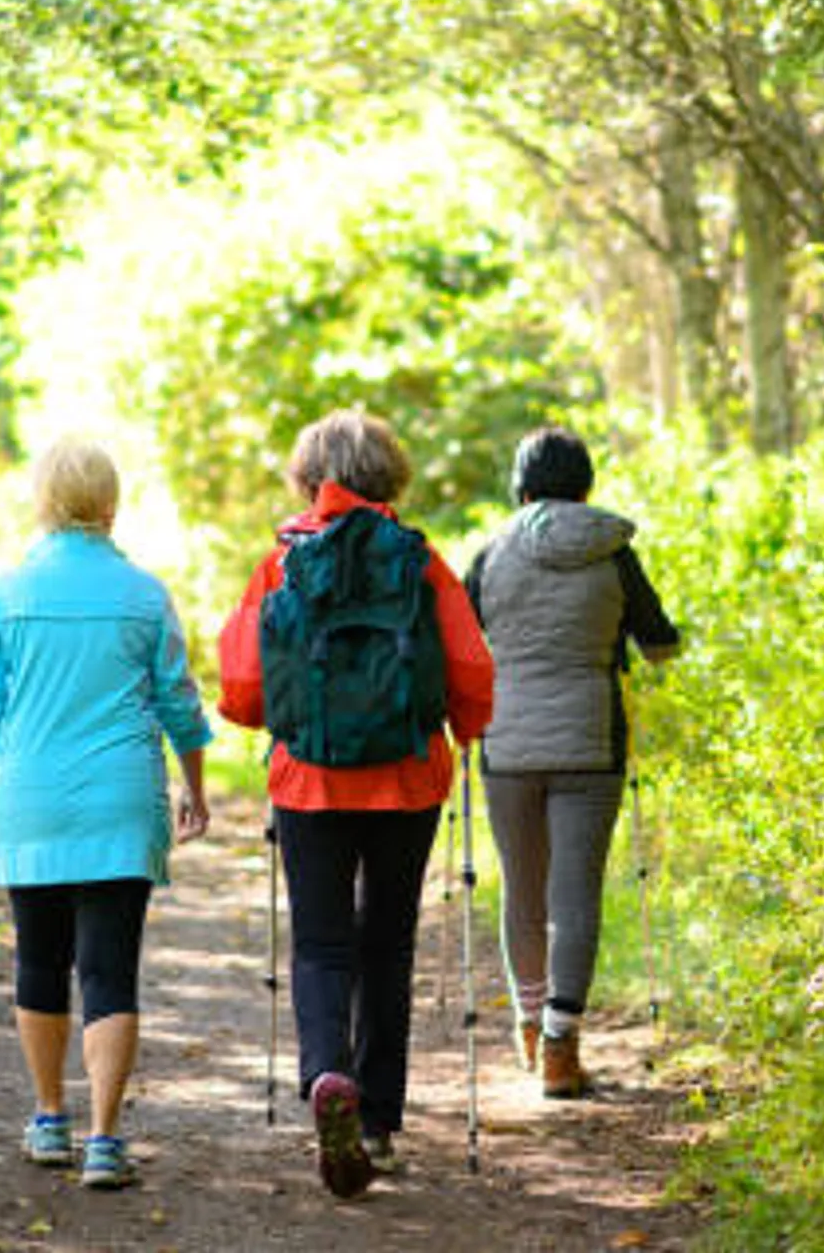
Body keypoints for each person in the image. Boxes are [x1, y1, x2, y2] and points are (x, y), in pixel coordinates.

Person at [218, 409, 493, 1197]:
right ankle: (375, 1123)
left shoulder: (283, 562)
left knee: (321, 945)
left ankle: (325, 1076)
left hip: (309, 780)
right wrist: (467, 731)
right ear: (390, 476)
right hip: (408, 775)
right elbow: (472, 669)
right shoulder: (418, 559)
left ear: (308, 478)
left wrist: (275, 723)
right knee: (388, 945)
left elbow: (242, 687)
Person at [0, 435, 212, 1190]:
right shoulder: (142, 594)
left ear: (44, 501)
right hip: (120, 800)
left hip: (30, 797)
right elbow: (179, 702)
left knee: (39, 959)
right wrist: (196, 790)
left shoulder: (5, 595)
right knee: (110, 969)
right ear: (110, 503)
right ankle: (105, 1138)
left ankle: (47, 1119)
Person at [464, 426, 680, 1099]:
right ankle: (562, 1047)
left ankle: (529, 1024)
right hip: (591, 742)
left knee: (523, 889)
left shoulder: (490, 553)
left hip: (508, 744)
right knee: (576, 892)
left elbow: (464, 646)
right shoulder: (615, 553)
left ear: (521, 487)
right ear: (586, 487)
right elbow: (658, 644)